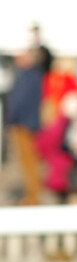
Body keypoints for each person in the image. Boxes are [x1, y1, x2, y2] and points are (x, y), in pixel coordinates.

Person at [5, 49, 45, 205]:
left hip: (24, 124)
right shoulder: (34, 75)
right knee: (29, 162)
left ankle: (33, 197)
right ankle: (33, 195)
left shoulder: (27, 75)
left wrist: (11, 119)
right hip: (28, 123)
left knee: (28, 162)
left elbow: (19, 101)